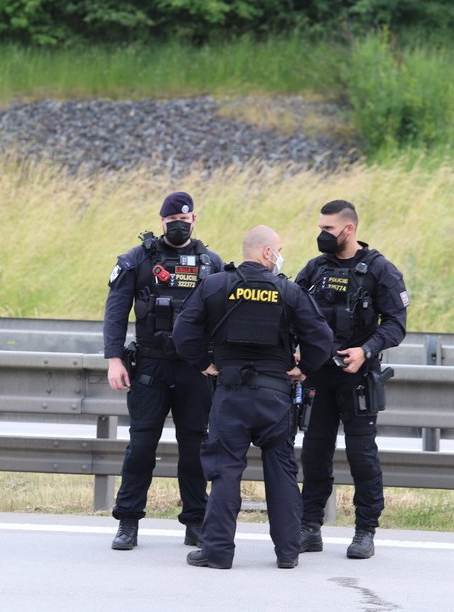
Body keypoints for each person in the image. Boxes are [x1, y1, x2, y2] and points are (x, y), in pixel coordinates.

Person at [172, 225, 333, 569]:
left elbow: (183, 331)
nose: (280, 255)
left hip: (230, 396)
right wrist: (305, 369)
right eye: (278, 249)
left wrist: (204, 363)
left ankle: (217, 553)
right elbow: (321, 336)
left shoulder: (215, 286)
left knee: (225, 472)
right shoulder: (288, 291)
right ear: (267, 253)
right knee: (281, 473)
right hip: (275, 398)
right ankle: (288, 554)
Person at [103, 191, 224, 550]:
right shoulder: (137, 260)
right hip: (150, 365)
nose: (178, 227)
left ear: (194, 220)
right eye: (172, 222)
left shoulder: (211, 262)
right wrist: (113, 358)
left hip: (196, 368)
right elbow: (115, 310)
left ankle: (195, 522)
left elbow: (223, 317)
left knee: (194, 448)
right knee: (141, 446)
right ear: (162, 222)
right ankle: (128, 522)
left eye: (184, 222)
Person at [295, 199, 409, 559]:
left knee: (362, 456)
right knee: (314, 453)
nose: (321, 235)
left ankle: (365, 531)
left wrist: (366, 350)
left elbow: (395, 325)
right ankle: (309, 527)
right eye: (320, 228)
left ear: (349, 229)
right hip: (319, 376)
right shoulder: (315, 269)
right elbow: (290, 310)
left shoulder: (379, 270)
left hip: (357, 378)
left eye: (327, 229)